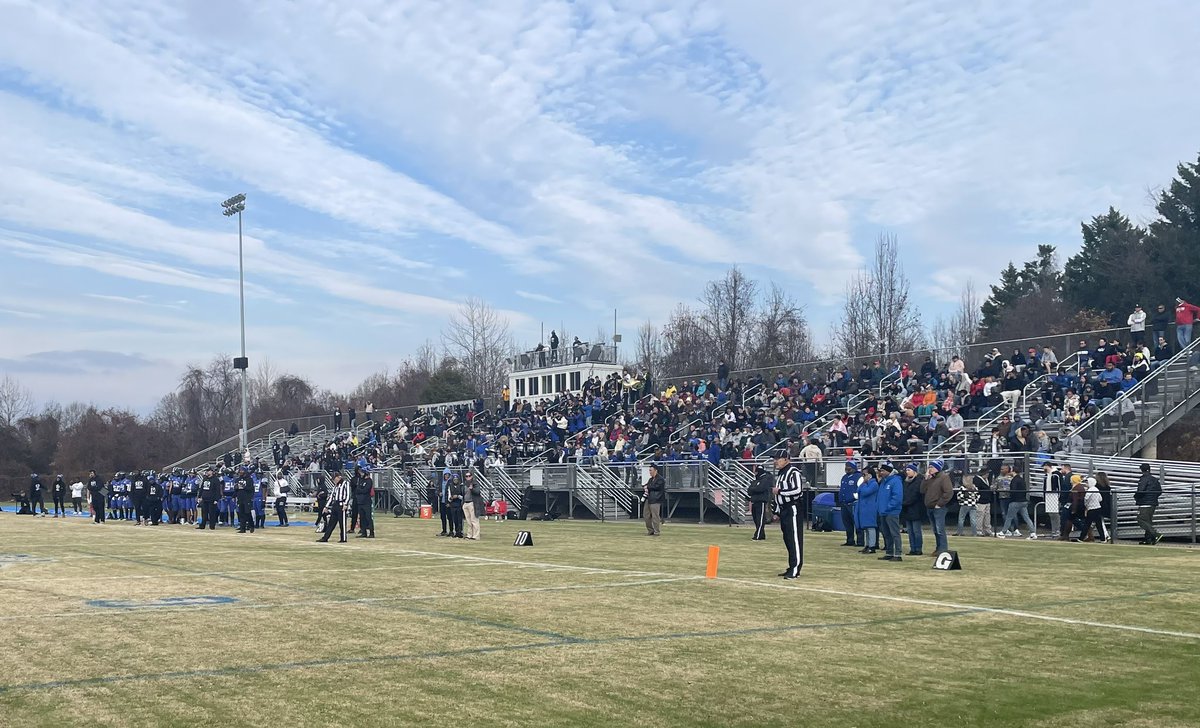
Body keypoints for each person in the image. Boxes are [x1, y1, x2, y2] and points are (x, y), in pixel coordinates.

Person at [773, 453, 805, 579]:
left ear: (786, 460)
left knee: (794, 539)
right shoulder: (781, 474)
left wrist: (780, 491)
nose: (775, 462)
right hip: (784, 509)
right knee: (788, 539)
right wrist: (776, 511)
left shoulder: (793, 472)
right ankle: (791, 566)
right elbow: (778, 496)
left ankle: (796, 569)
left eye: (777, 459)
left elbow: (798, 490)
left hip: (793, 508)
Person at [921, 459, 953, 556]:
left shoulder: (944, 478)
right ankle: (938, 548)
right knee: (935, 530)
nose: (929, 469)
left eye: (932, 467)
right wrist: (925, 479)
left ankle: (943, 549)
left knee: (940, 529)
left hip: (939, 508)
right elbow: (922, 490)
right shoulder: (930, 479)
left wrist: (939, 504)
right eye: (929, 467)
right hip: (929, 507)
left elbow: (948, 492)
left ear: (937, 468)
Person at [998, 465, 1036, 539]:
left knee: (1009, 517)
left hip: (1016, 501)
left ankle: (1003, 532)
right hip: (1023, 501)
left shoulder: (1014, 480)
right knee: (1026, 517)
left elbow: (1013, 491)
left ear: (1013, 471)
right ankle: (1033, 532)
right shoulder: (1021, 479)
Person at [877, 462, 904, 562]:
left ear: (888, 471)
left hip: (891, 512)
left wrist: (888, 507)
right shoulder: (884, 481)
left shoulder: (895, 481)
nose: (881, 472)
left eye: (883, 471)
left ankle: (897, 553)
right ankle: (889, 552)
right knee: (886, 533)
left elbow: (897, 497)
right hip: (883, 511)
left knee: (894, 533)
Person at [854, 466, 879, 555]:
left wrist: (863, 484)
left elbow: (865, 492)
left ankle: (872, 546)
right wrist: (863, 484)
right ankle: (867, 544)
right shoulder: (865, 484)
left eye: (865, 474)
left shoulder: (874, 484)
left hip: (870, 507)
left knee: (871, 527)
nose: (863, 476)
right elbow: (858, 490)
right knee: (866, 528)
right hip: (864, 507)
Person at [900, 463, 926, 554]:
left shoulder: (919, 481)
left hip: (916, 509)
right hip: (907, 509)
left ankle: (918, 549)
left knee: (916, 531)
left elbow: (915, 495)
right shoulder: (905, 482)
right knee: (910, 531)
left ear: (914, 471)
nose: (907, 472)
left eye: (909, 470)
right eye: (906, 470)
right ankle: (913, 548)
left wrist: (904, 503)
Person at [1134, 462, 1162, 545]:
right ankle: (1148, 539)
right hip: (1153, 503)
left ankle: (1155, 534)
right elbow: (1159, 491)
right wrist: (1153, 498)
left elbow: (1141, 491)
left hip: (1144, 503)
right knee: (1148, 521)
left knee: (1141, 519)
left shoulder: (1143, 479)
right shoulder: (1154, 479)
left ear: (1141, 470)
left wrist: (1136, 497)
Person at [318, 473, 350, 543]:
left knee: (342, 523)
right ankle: (325, 537)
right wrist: (326, 506)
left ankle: (343, 538)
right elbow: (331, 496)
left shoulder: (345, 483)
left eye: (334, 479)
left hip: (342, 505)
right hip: (335, 505)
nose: (334, 481)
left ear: (339, 477)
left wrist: (346, 504)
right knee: (331, 523)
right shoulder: (335, 486)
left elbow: (348, 495)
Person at [838, 461, 861, 547]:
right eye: (846, 466)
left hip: (853, 503)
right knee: (847, 523)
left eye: (848, 467)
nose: (846, 468)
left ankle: (860, 541)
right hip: (844, 503)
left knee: (857, 522)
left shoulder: (858, 477)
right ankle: (850, 540)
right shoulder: (844, 477)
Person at [748, 464, 773, 541]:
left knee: (760, 519)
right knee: (756, 519)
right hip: (754, 501)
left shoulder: (765, 479)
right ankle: (761, 534)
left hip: (761, 501)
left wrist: (754, 489)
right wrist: (754, 489)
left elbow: (761, 488)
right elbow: (749, 490)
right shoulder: (755, 480)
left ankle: (758, 535)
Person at [1082, 476, 1108, 542]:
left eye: (1087, 482)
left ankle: (1081, 538)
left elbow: (1086, 499)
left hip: (1091, 509)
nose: (1086, 484)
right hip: (1098, 508)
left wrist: (1086, 505)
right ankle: (1103, 539)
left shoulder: (1090, 490)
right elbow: (1100, 499)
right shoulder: (1096, 489)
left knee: (1087, 524)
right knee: (1099, 525)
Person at [643, 464, 665, 536]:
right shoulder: (650, 479)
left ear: (655, 470)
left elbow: (656, 487)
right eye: (649, 470)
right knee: (646, 515)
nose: (650, 472)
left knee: (655, 516)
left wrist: (648, 487)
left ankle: (656, 531)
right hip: (649, 499)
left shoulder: (660, 479)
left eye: (651, 470)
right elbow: (648, 485)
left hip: (656, 500)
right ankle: (650, 530)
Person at [234, 467, 255, 533]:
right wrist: (234, 493)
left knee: (247, 513)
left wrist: (244, 487)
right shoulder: (237, 479)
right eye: (240, 471)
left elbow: (251, 489)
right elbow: (235, 489)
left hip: (247, 498)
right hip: (240, 498)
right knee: (241, 513)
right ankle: (242, 529)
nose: (240, 472)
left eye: (242, 470)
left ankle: (251, 525)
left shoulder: (249, 479)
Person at [355, 471, 375, 539]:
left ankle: (371, 533)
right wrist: (360, 490)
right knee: (362, 518)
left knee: (368, 517)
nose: (361, 474)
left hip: (366, 502)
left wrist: (360, 490)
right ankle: (363, 532)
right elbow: (357, 489)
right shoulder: (360, 480)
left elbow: (366, 490)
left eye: (362, 473)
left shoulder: (369, 481)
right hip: (360, 502)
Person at [464, 472, 484, 540]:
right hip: (465, 503)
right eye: (466, 476)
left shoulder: (475, 483)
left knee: (474, 520)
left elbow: (478, 492)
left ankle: (476, 535)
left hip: (472, 503)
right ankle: (469, 534)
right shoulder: (464, 484)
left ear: (472, 476)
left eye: (469, 476)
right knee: (468, 521)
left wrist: (472, 489)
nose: (468, 477)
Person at [447, 474, 466, 538]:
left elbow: (464, 496)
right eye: (454, 480)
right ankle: (456, 531)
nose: (455, 481)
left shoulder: (461, 486)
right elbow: (449, 496)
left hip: (459, 504)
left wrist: (457, 496)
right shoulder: (450, 486)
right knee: (454, 519)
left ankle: (460, 532)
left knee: (460, 519)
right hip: (453, 505)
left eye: (456, 479)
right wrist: (451, 498)